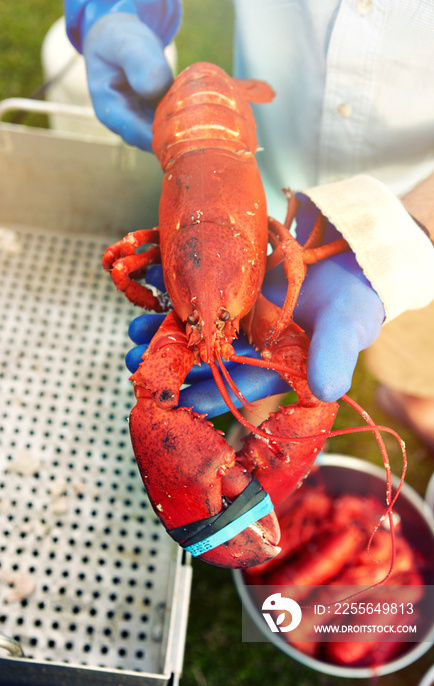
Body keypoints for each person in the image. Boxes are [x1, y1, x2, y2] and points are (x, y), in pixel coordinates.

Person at [64, 0, 434, 448]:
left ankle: (412, 397)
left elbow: (122, 267)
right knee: (264, 365)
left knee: (418, 343)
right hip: (276, 155)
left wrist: (415, 224)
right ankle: (254, 419)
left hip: (418, 184)